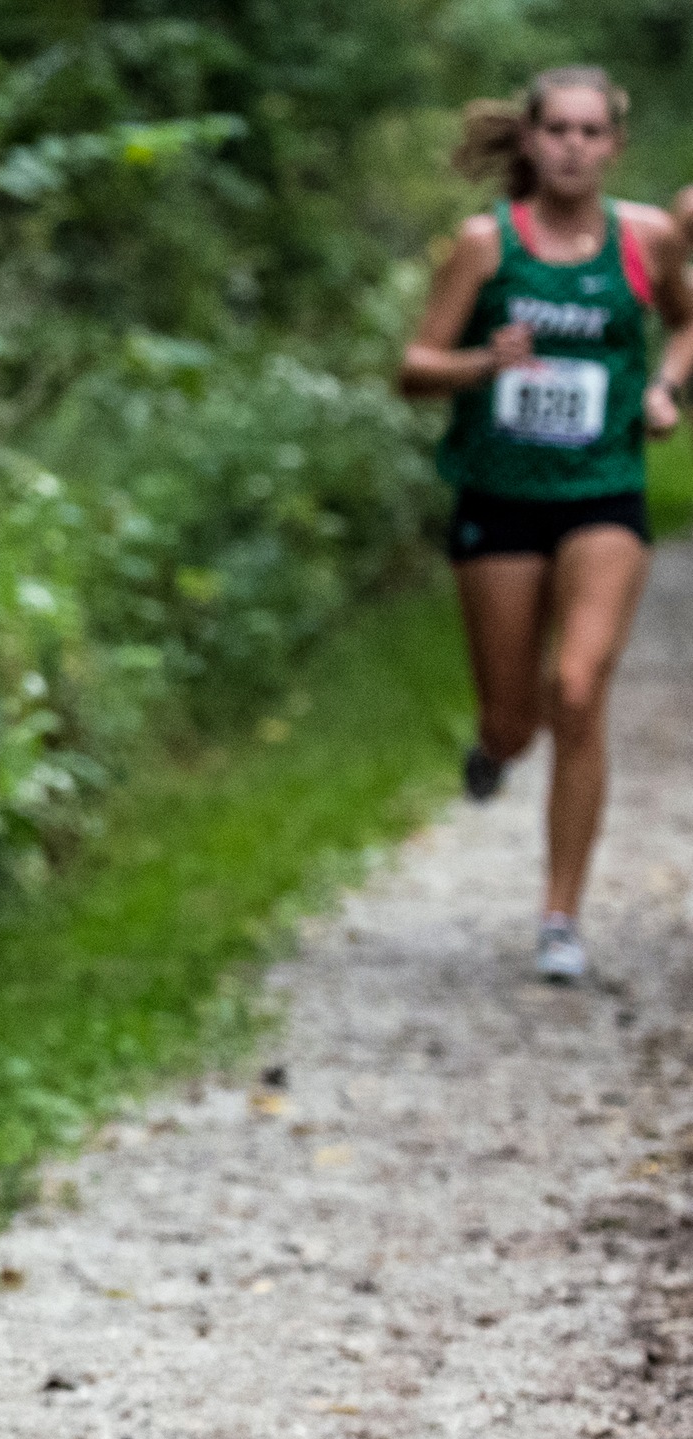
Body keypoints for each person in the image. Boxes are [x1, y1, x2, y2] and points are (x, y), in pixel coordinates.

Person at [400, 66, 693, 983]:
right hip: (501, 496)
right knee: (518, 717)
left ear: (614, 145)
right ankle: (493, 750)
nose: (573, 146)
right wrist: (484, 361)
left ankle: (560, 916)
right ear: (529, 142)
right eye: (557, 130)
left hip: (603, 491)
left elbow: (687, 322)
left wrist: (662, 387)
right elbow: (412, 367)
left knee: (578, 689)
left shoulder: (645, 237)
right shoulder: (487, 247)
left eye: (590, 132)